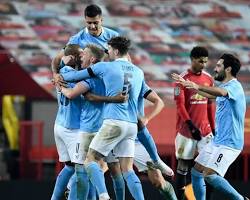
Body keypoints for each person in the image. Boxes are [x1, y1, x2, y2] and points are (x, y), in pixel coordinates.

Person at [61, 36, 145, 200]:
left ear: (116, 51)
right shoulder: (138, 71)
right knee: (126, 169)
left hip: (113, 122)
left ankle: (104, 195)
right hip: (131, 125)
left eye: (109, 50)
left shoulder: (105, 67)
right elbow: (140, 98)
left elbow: (72, 78)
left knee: (90, 160)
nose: (108, 53)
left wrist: (62, 68)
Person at [172, 53, 248, 200]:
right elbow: (212, 95)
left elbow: (220, 92)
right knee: (196, 172)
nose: (215, 68)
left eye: (219, 65)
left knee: (210, 175)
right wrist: (190, 86)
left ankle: (240, 199)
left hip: (230, 144)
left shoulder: (234, 87)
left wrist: (195, 85)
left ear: (228, 69)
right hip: (217, 141)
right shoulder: (225, 86)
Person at [173, 46, 215, 200]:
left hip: (205, 131)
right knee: (183, 166)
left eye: (205, 61)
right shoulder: (182, 79)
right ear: (192, 60)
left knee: (209, 168)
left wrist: (213, 128)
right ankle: (180, 198)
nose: (203, 64)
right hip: (186, 131)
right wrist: (191, 125)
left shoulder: (209, 79)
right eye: (200, 61)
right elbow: (180, 106)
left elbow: (210, 105)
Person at [51, 44, 83, 200]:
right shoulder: (76, 75)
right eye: (80, 55)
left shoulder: (60, 72)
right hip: (73, 128)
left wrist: (61, 64)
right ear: (73, 57)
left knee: (69, 166)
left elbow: (57, 64)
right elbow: (73, 94)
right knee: (80, 169)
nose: (83, 57)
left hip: (60, 124)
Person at [51, 4, 119, 77]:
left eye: (95, 23)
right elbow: (57, 58)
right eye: (89, 23)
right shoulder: (77, 39)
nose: (92, 26)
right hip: (87, 80)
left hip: (109, 77)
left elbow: (124, 58)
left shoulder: (113, 36)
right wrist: (55, 75)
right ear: (85, 21)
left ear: (101, 20)